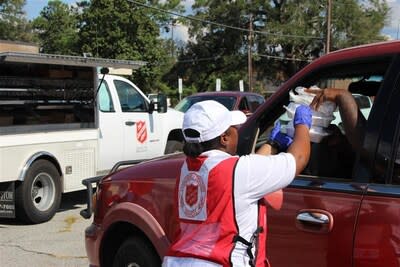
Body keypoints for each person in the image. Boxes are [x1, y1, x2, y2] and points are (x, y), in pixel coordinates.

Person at [162, 100, 312, 267]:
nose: (238, 131)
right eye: (234, 128)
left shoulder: (188, 169)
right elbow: (298, 158)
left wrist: (273, 145)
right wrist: (302, 125)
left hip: (179, 261)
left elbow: (247, 173)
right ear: (224, 138)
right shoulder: (238, 172)